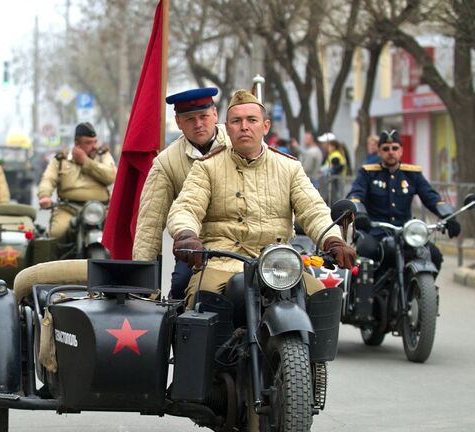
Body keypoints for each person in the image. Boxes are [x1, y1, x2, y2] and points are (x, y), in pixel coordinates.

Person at [167, 89, 355, 308]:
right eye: (236, 121)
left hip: (279, 263)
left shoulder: (289, 167)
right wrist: (186, 234)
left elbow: (313, 210)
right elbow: (186, 207)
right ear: (227, 128)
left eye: (251, 120)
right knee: (202, 298)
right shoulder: (206, 167)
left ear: (265, 126)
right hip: (222, 263)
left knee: (322, 298)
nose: (244, 126)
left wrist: (332, 240)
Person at [133, 87, 228, 299]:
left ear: (215, 114)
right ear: (178, 122)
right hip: (194, 247)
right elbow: (150, 222)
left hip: (242, 241)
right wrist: (141, 281)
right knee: (179, 290)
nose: (198, 124)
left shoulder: (239, 145)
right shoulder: (166, 163)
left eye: (203, 116)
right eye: (189, 119)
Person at [347, 129, 460, 271]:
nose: (390, 152)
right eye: (386, 149)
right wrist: (360, 214)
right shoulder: (368, 173)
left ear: (401, 151)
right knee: (366, 251)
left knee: (435, 255)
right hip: (375, 231)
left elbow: (431, 197)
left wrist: (448, 215)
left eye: (395, 148)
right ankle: (366, 292)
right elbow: (355, 196)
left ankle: (421, 291)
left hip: (406, 233)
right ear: (380, 152)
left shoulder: (412, 174)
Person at [38, 122, 116, 240]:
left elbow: (111, 176)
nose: (94, 146)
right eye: (88, 143)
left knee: (118, 234)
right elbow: (48, 179)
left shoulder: (103, 156)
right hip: (69, 209)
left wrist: (85, 161)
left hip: (101, 209)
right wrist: (45, 196)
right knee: (56, 234)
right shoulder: (61, 159)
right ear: (77, 144)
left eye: (95, 141)